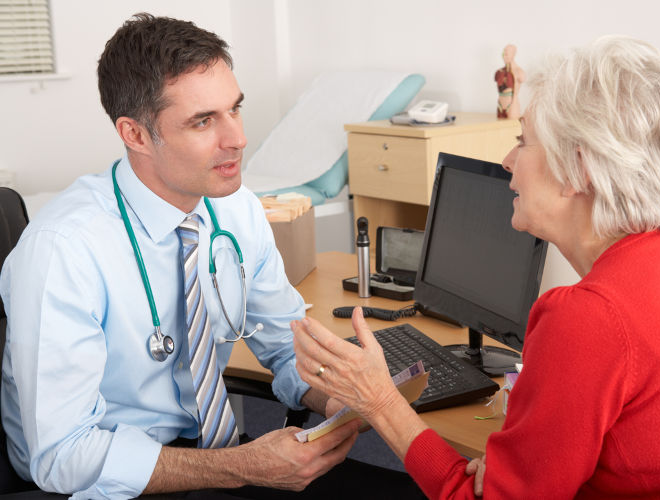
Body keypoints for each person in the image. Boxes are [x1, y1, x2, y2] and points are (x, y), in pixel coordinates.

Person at [292, 36, 660, 499]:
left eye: (522, 141)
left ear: (577, 170)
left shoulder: (586, 319)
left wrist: (381, 401)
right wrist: (520, 467)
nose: (507, 161)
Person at [0, 13, 423, 499]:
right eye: (203, 121)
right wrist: (243, 466)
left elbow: (286, 346)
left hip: (216, 457)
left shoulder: (235, 207)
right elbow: (63, 457)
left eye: (234, 110)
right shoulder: (64, 251)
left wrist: (336, 402)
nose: (238, 139)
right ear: (135, 134)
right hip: (107, 482)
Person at [494, 44, 525, 119]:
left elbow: (522, 78)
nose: (504, 56)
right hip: (500, 105)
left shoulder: (518, 71)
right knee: (499, 127)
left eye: (506, 54)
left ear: (513, 55)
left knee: (512, 126)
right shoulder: (500, 71)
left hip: (512, 104)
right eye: (503, 53)